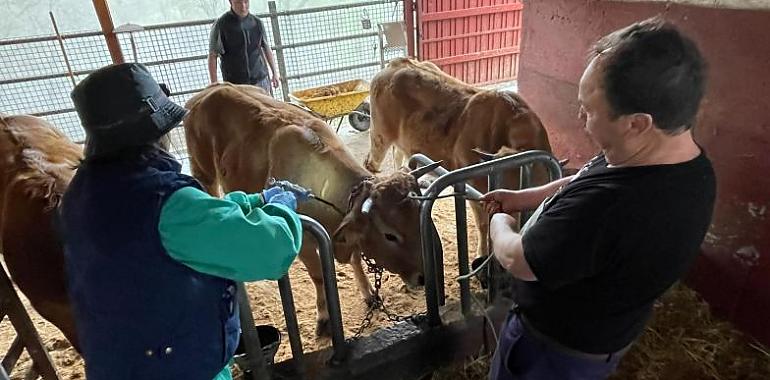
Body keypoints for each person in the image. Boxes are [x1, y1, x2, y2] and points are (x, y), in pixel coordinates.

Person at [481, 17, 716, 380]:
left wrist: (499, 221)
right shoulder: (687, 165)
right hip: (601, 337)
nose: (581, 118)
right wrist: (524, 197)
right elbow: (586, 178)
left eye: (590, 111)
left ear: (636, 123)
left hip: (552, 353)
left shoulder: (611, 208)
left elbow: (518, 258)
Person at [58, 63, 303, 380]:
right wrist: (284, 206)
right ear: (158, 133)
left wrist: (252, 201)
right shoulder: (167, 202)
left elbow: (187, 225)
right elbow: (272, 250)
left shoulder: (79, 193)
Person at [208, 0, 280, 95]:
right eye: (238, 2)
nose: (243, 6)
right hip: (235, 84)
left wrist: (275, 73)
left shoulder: (257, 23)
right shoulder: (221, 25)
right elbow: (213, 55)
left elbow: (266, 48)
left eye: (246, 2)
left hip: (260, 80)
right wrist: (215, 84)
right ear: (230, 2)